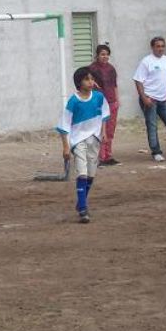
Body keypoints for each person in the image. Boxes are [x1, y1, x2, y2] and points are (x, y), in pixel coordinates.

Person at [57, 67, 110, 224]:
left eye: (92, 79)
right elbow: (64, 124)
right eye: (87, 79)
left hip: (95, 139)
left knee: (91, 175)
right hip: (78, 140)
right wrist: (66, 146)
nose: (91, 82)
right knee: (82, 173)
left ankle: (81, 201)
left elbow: (105, 115)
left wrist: (104, 133)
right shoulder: (73, 101)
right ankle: (83, 209)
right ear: (79, 82)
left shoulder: (99, 97)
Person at [89, 44, 121, 166]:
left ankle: (108, 156)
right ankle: (99, 157)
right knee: (99, 130)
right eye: (102, 54)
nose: (105, 56)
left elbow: (115, 85)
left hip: (112, 103)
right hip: (99, 104)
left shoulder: (111, 69)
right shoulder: (91, 69)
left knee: (110, 130)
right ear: (97, 55)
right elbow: (87, 85)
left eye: (107, 54)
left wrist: (117, 100)